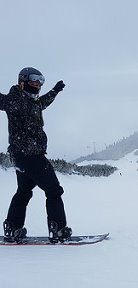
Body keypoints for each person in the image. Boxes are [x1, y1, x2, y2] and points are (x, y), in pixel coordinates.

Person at [0, 67, 72, 243]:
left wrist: (54, 91)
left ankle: (13, 229)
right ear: (22, 82)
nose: (38, 85)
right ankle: (58, 230)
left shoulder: (32, 102)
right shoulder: (14, 100)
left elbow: (43, 103)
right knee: (54, 190)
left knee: (23, 191)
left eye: (40, 81)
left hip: (20, 156)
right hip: (30, 156)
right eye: (34, 81)